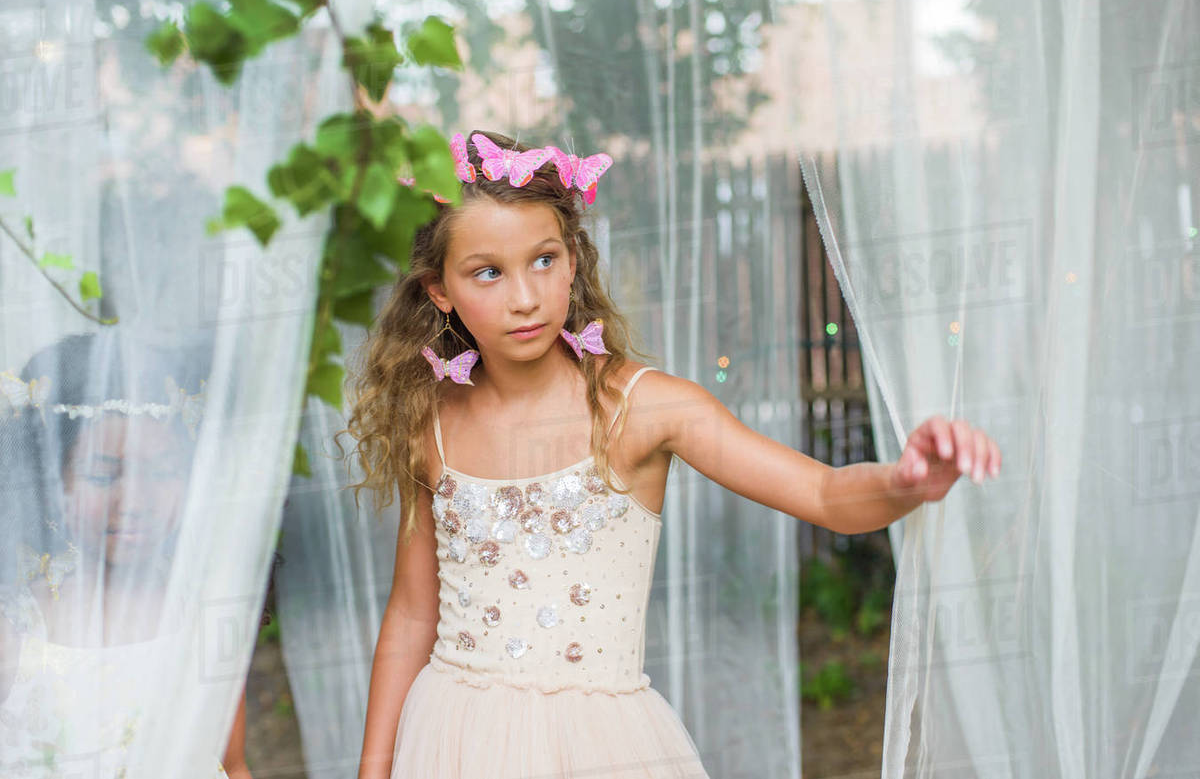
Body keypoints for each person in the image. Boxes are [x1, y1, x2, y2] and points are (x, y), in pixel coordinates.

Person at [343, 131, 1002, 778]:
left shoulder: (646, 409)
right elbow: (411, 611)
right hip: (452, 739)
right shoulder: (430, 422)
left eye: (544, 259)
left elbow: (828, 497)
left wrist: (908, 478)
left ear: (573, 259)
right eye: (488, 271)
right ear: (439, 290)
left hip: (601, 748)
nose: (524, 296)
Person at [0, 333, 254, 779]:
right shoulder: (17, 628)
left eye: (159, 472)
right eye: (101, 475)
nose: (133, 499)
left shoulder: (202, 616)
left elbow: (231, 765)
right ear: (50, 481)